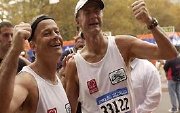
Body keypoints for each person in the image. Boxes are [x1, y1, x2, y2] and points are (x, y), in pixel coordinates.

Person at [65, 0, 178, 113]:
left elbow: (170, 53)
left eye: (97, 11)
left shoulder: (122, 45)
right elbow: (70, 109)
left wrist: (150, 22)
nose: (94, 16)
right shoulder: (74, 64)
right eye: (87, 12)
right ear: (77, 20)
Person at [0, 15, 71, 113]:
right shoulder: (26, 81)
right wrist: (15, 49)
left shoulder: (55, 77)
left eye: (57, 31)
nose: (55, 36)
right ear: (33, 46)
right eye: (47, 33)